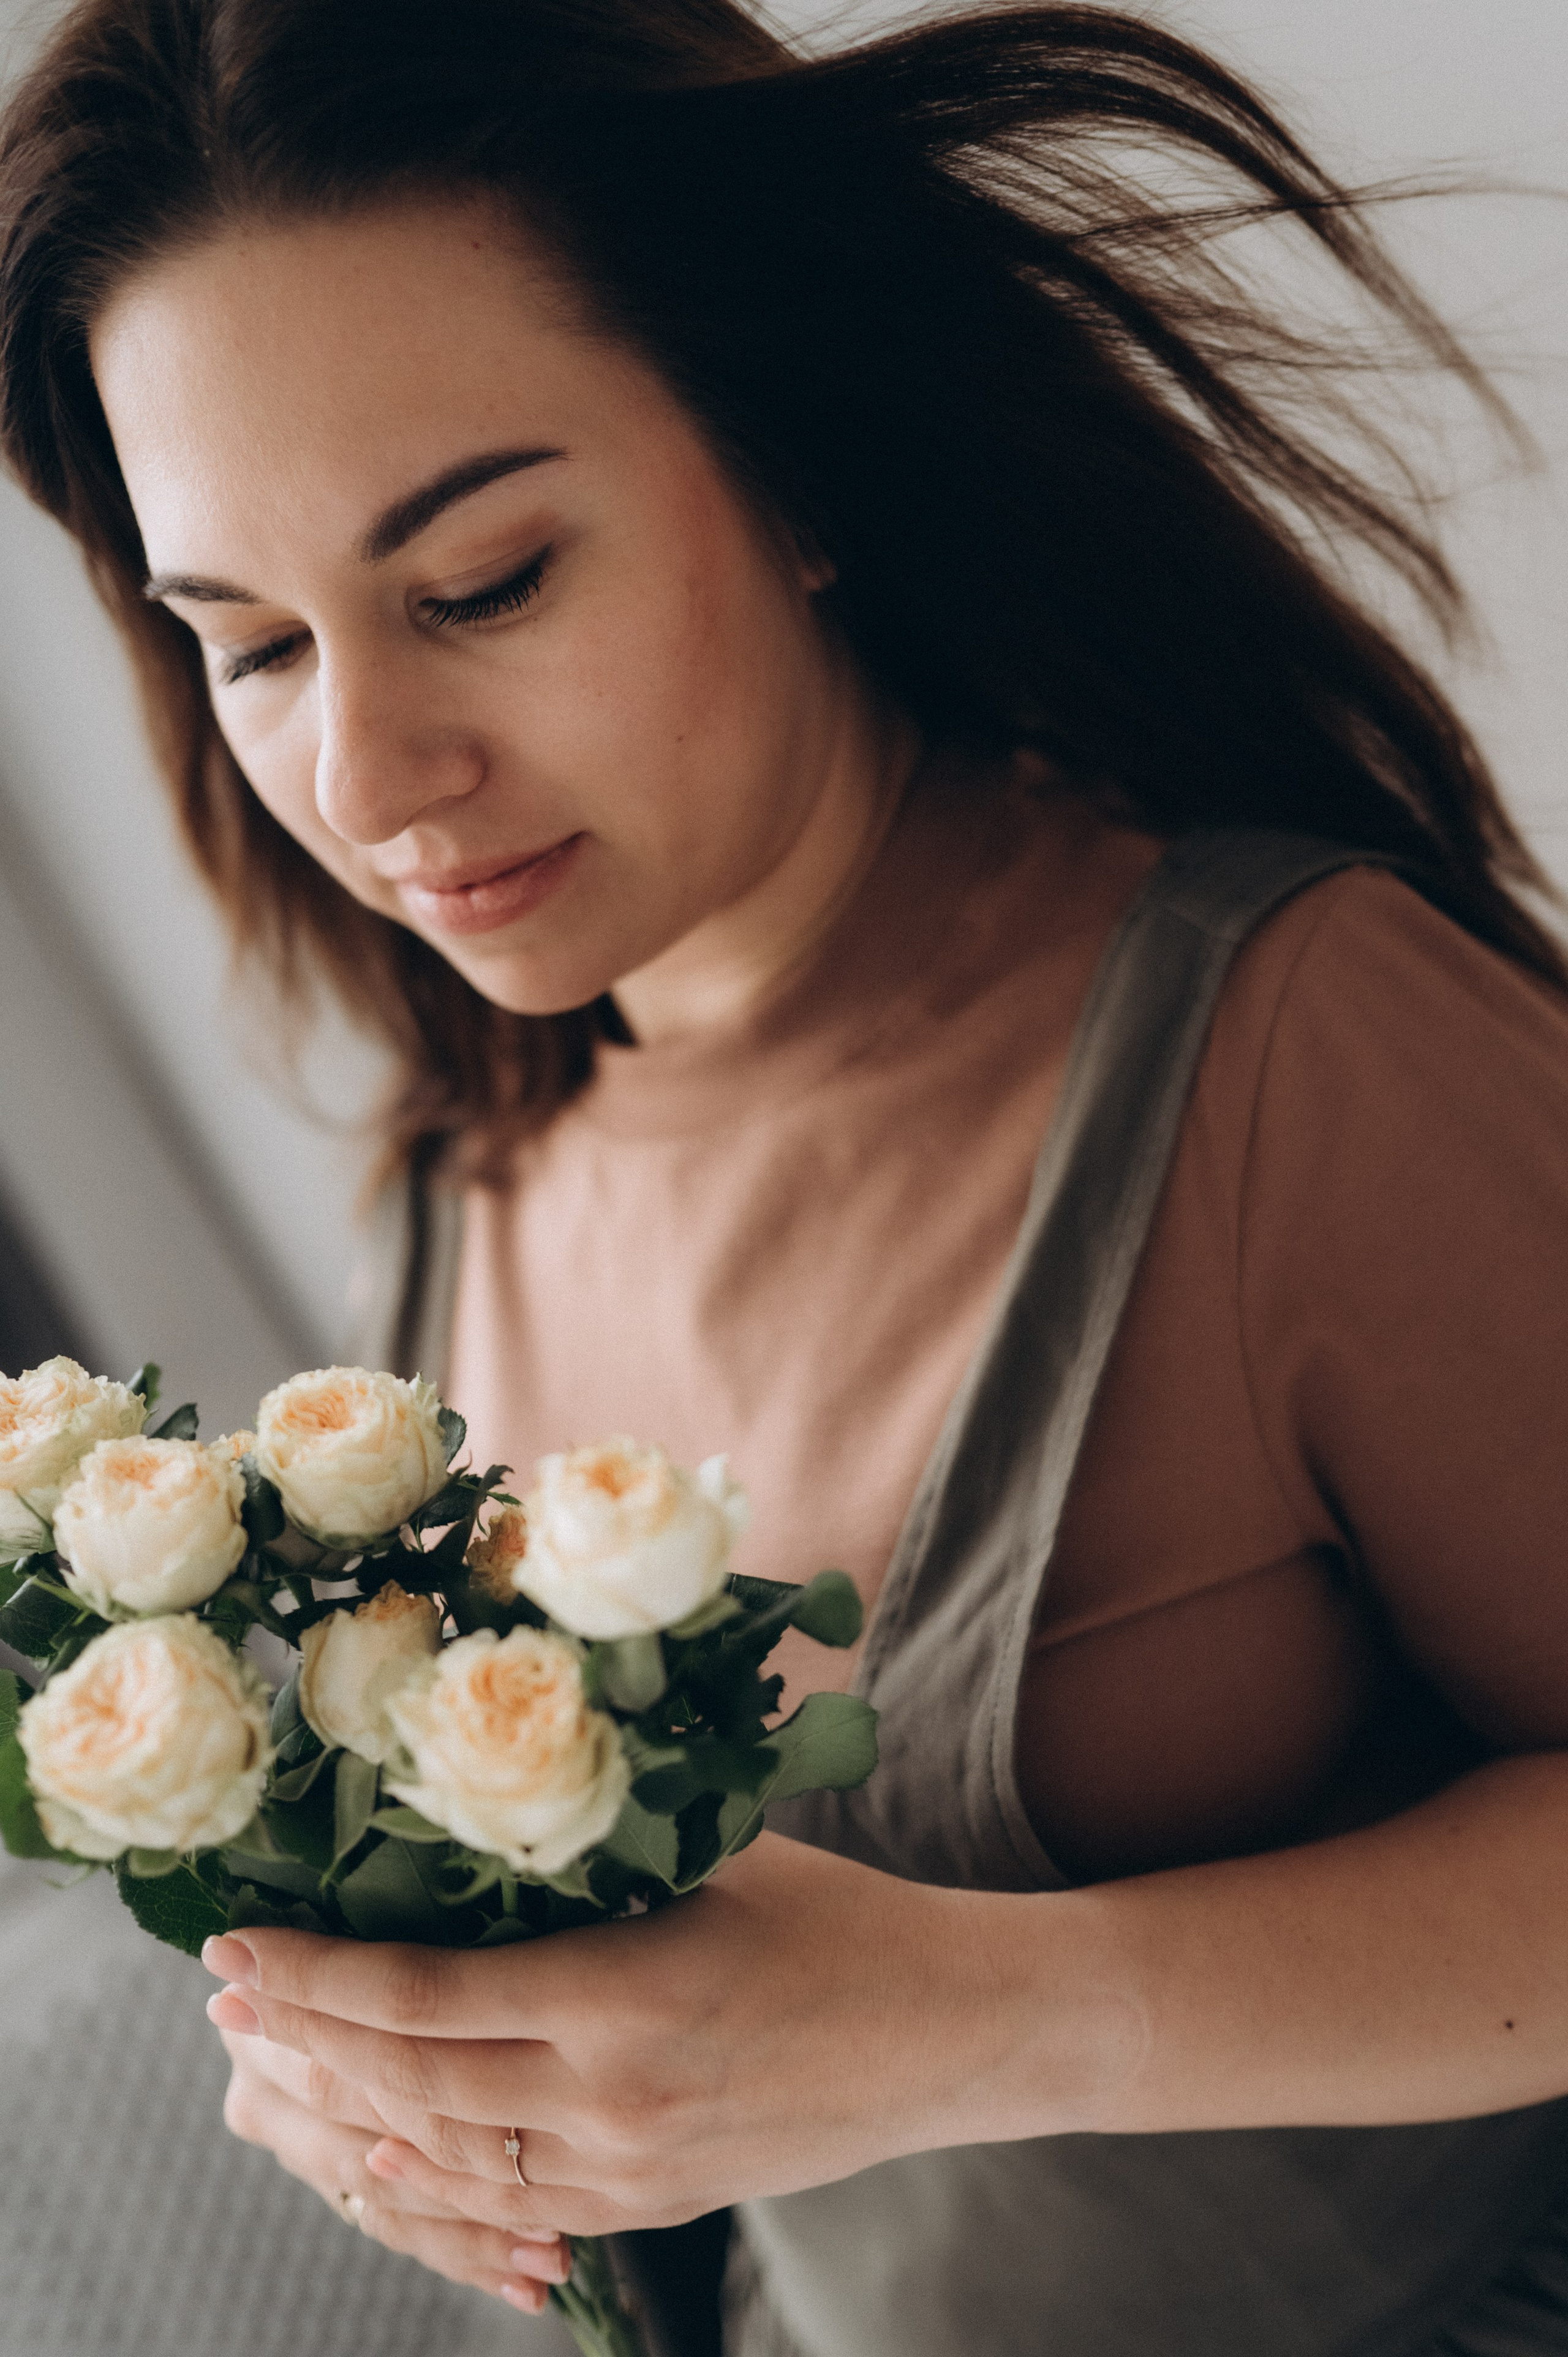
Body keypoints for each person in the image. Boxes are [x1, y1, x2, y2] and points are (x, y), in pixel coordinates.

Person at [2, 1, 1567, 2351]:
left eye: (484, 581)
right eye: (250, 646)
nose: (372, 777)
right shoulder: (457, 1200)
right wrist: (396, 2088)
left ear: (800, 459)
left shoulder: (1300, 1042)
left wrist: (1006, 2016)